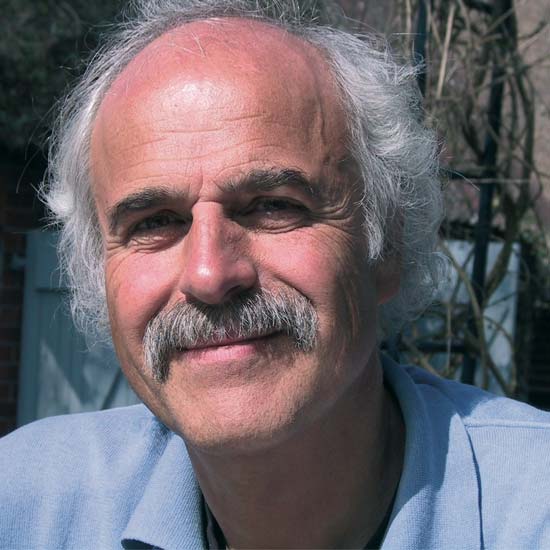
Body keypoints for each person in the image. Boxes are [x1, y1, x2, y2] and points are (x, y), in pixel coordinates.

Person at [2, 1, 550, 548]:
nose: (210, 274)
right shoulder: (26, 504)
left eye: (273, 206)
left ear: (387, 245)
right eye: (156, 222)